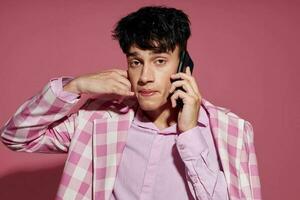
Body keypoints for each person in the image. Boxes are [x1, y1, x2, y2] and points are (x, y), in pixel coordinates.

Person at [0, 6, 261, 200]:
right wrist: (74, 86)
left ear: (184, 66)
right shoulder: (98, 121)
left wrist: (191, 133)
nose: (145, 77)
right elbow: (16, 136)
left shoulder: (232, 132)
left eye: (159, 61)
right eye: (136, 62)